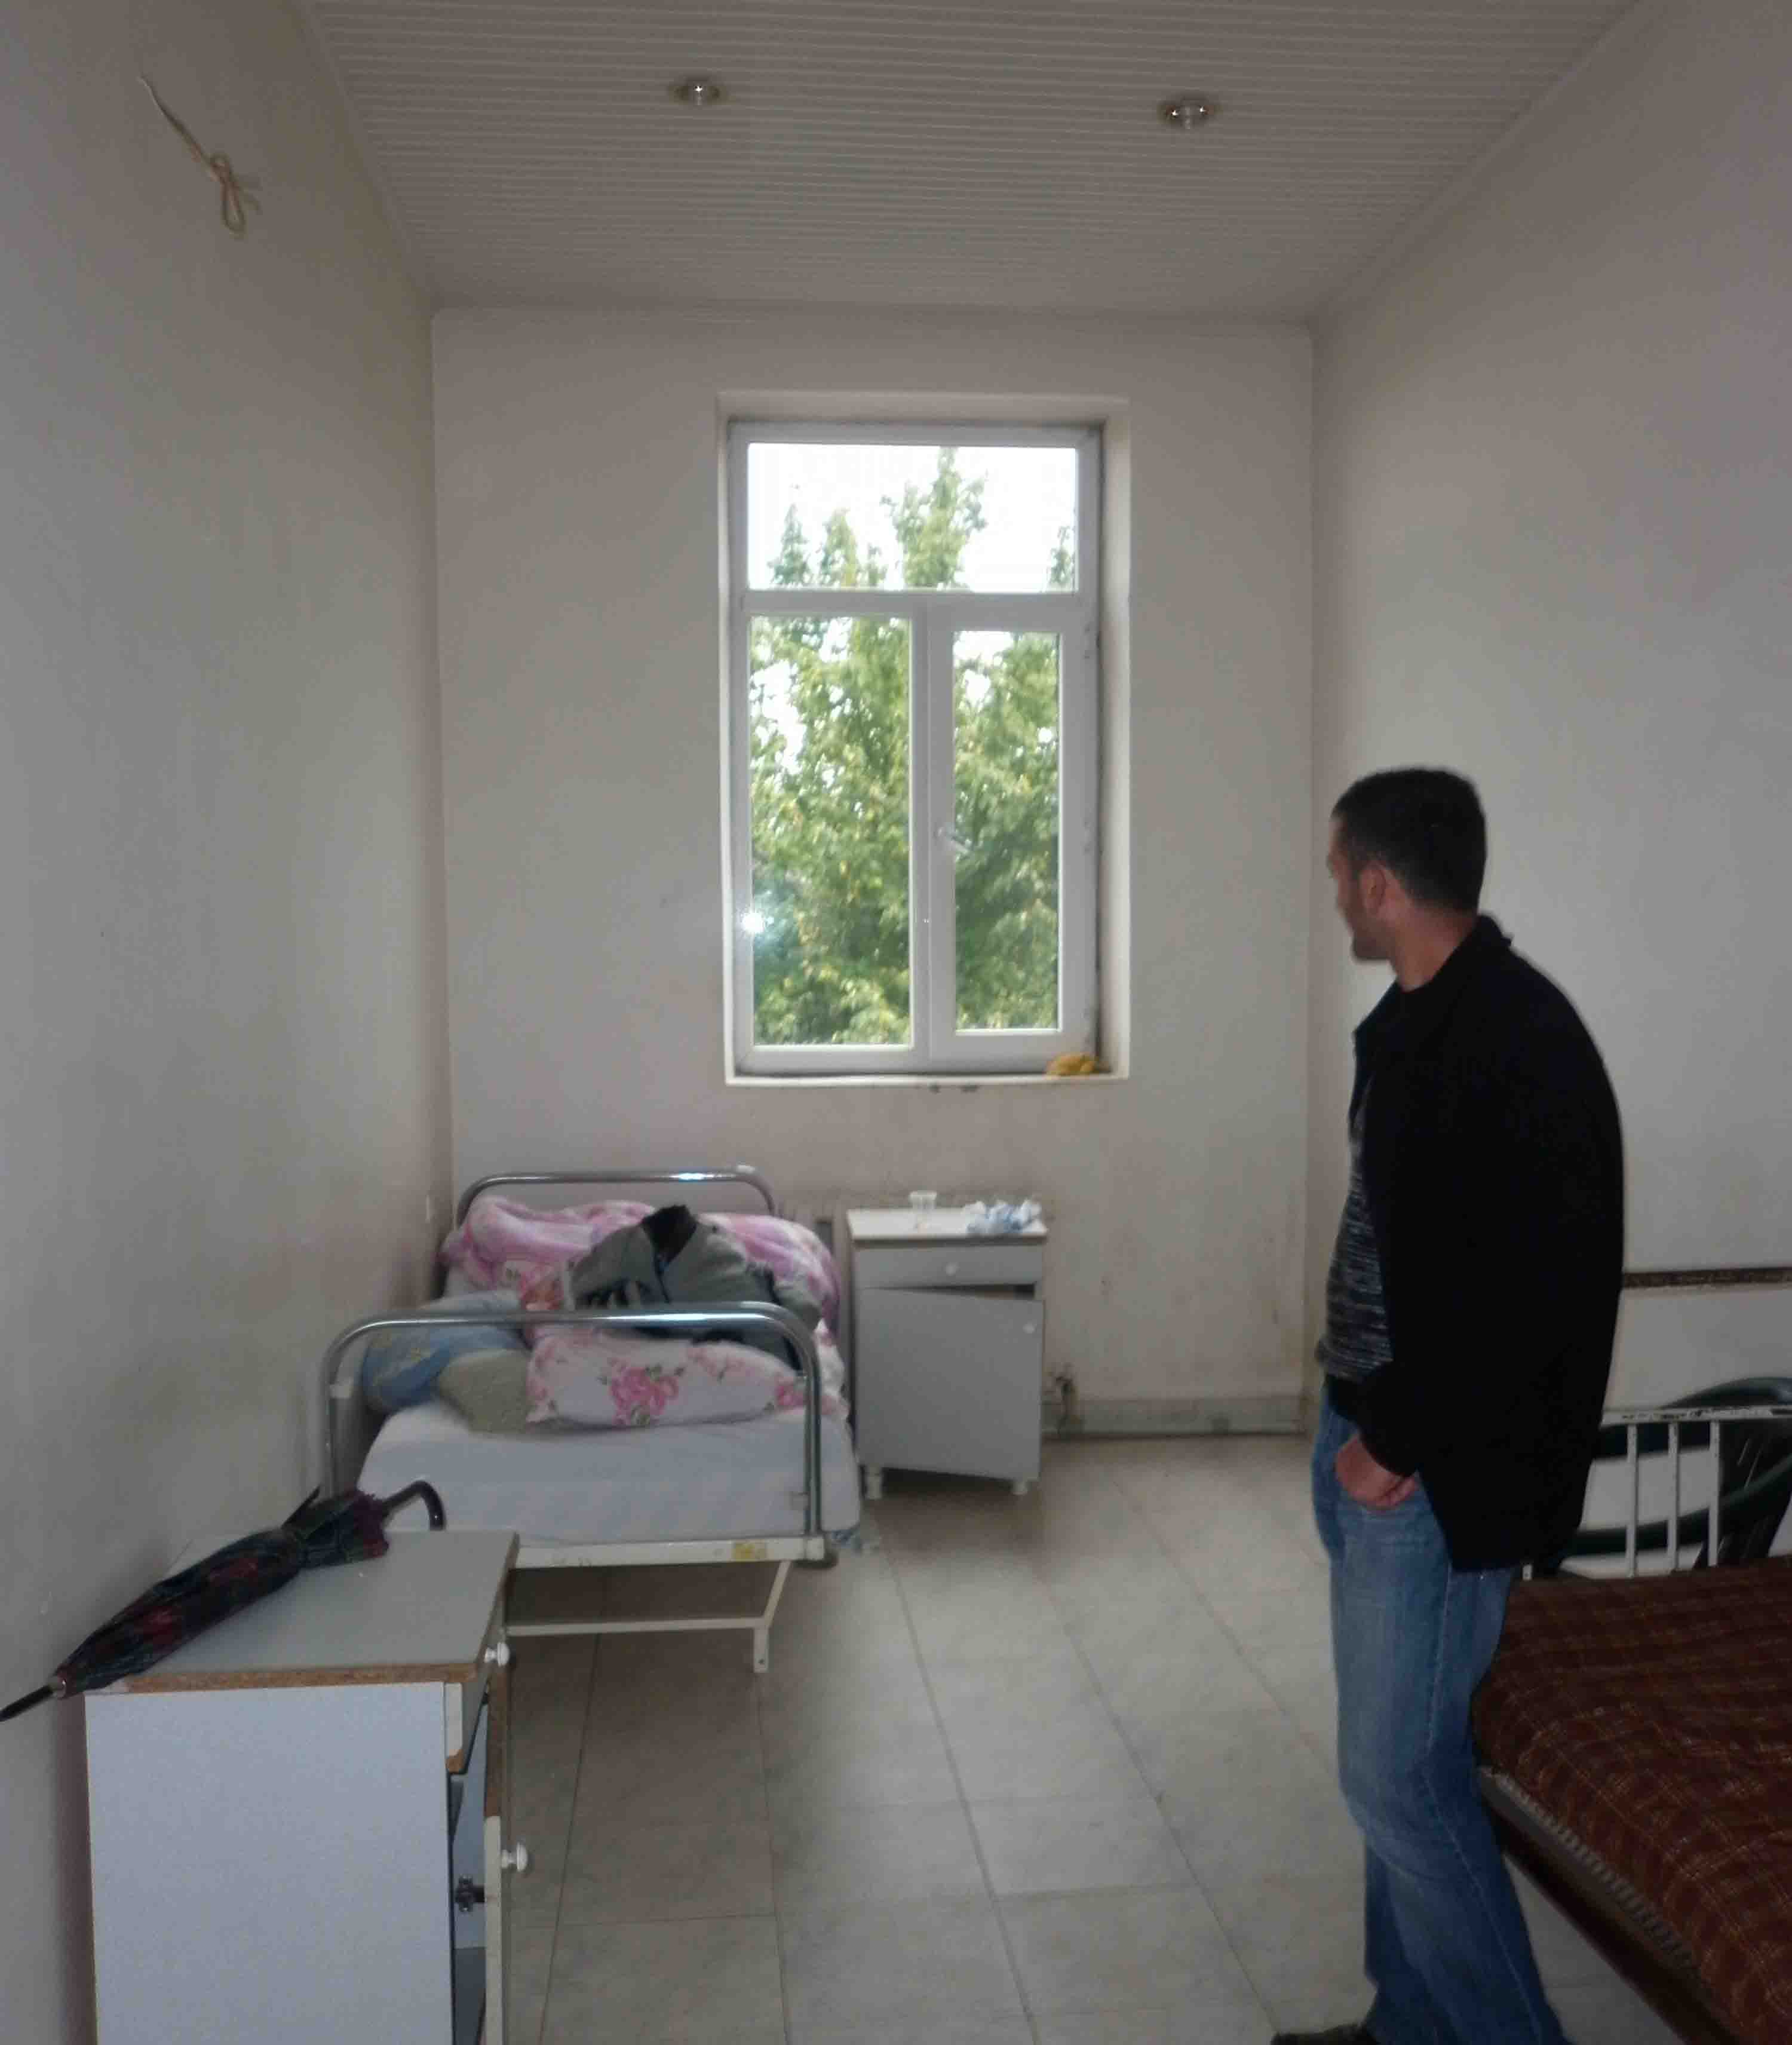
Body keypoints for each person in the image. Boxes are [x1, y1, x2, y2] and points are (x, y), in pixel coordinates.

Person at [1276, 768, 1624, 2045]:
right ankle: (1411, 2024)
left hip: (1430, 1470)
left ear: (1382, 883)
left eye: (1339, 874)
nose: (1334, 895)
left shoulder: (1516, 1041)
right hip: (1373, 1430)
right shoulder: (1418, 1020)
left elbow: (1522, 1293)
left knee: (1398, 1784)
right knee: (1399, 1771)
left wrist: (1396, 1442)